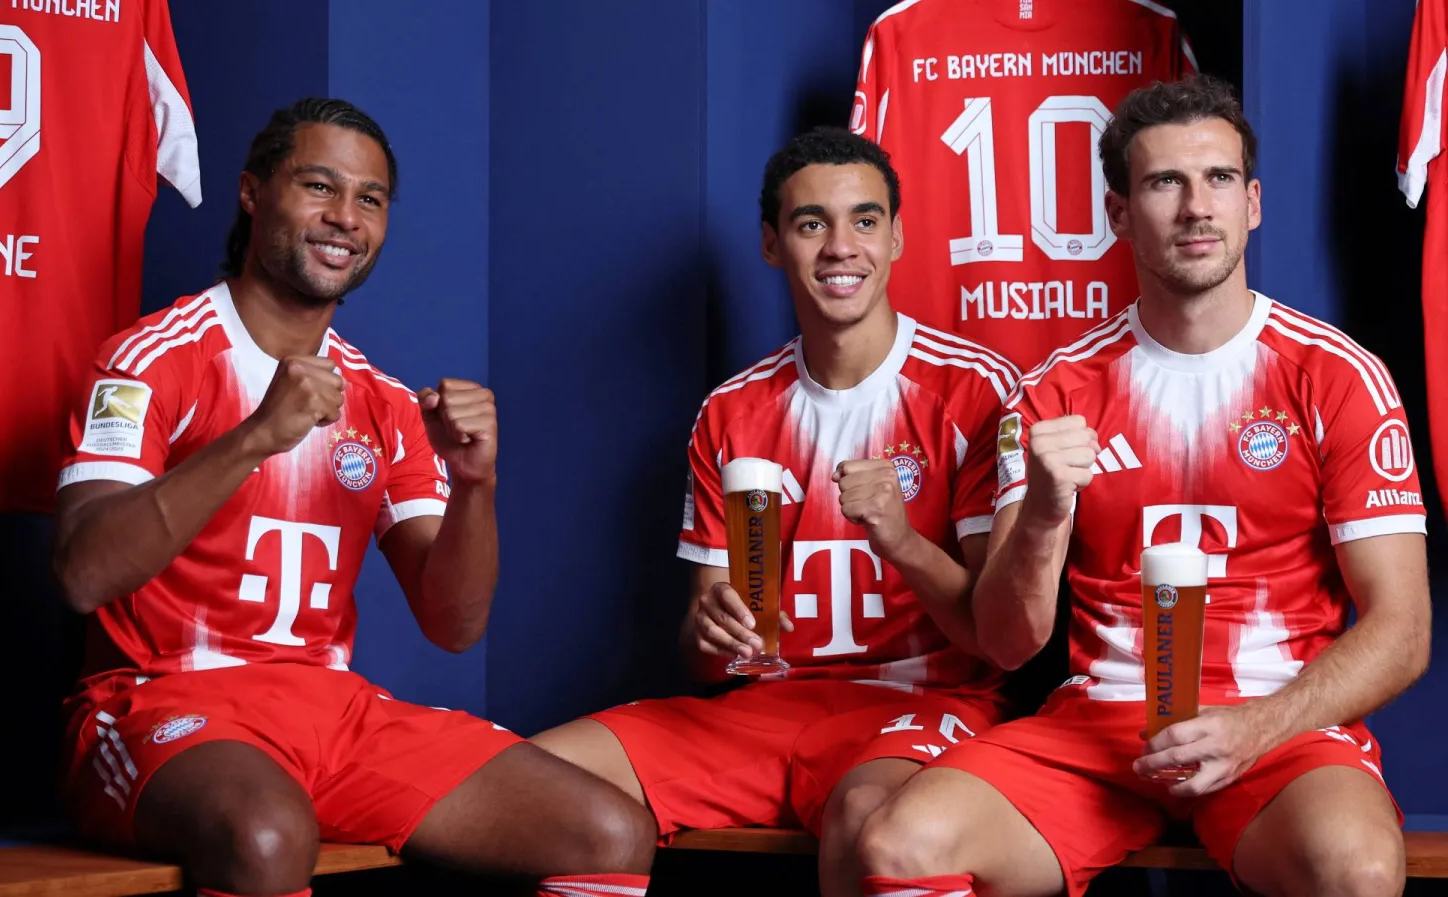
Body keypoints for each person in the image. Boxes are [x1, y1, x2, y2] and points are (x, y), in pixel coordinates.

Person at [52, 98, 655, 897]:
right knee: (267, 835)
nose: (345, 217)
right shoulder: (149, 358)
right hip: (157, 704)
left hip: (328, 710)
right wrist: (254, 437)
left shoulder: (381, 400)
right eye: (318, 186)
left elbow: (454, 624)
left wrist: (477, 484)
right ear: (252, 192)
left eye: (369, 199)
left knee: (609, 831)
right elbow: (82, 572)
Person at [855, 74, 1432, 897]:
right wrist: (1049, 511)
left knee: (1359, 869)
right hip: (1101, 727)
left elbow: (1404, 628)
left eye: (1219, 179)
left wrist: (1258, 726)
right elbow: (1009, 641)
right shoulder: (1056, 390)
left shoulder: (1335, 375)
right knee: (903, 844)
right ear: (1119, 213)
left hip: (1275, 725)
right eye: (1165, 182)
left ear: (1253, 202)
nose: (1198, 206)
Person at [533, 127, 1020, 896]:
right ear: (771, 244)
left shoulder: (974, 390)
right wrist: (708, 632)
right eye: (810, 223)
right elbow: (708, 653)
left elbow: (998, 638)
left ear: (896, 237)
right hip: (765, 705)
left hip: (921, 701)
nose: (839, 247)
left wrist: (899, 539)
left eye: (864, 221)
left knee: (870, 820)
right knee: (527, 784)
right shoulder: (732, 410)